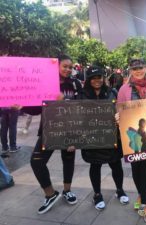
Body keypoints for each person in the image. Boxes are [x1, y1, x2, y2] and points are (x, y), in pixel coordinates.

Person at [23, 55, 82, 214]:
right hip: (49, 129)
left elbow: (81, 108)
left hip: (70, 130)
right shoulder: (46, 83)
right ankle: (50, 193)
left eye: (70, 67)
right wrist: (21, 107)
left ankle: (67, 190)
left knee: (68, 159)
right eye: (65, 66)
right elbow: (37, 108)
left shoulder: (75, 84)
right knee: (36, 161)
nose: (68, 69)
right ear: (57, 66)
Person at [117, 58, 146, 224]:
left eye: (140, 67)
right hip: (134, 138)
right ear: (130, 70)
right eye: (134, 68)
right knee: (136, 170)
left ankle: (145, 205)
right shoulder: (124, 89)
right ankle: (142, 195)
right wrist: (117, 117)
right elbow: (120, 110)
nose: (138, 71)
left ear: (145, 67)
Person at [79, 65, 129, 210]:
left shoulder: (112, 92)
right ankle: (97, 194)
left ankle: (119, 190)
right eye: (93, 78)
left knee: (116, 165)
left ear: (103, 78)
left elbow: (121, 110)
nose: (97, 80)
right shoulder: (82, 95)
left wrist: (120, 116)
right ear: (88, 80)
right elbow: (75, 116)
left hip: (111, 137)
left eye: (99, 77)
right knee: (95, 166)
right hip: (92, 138)